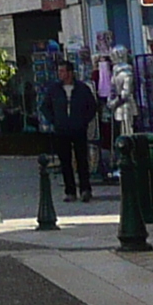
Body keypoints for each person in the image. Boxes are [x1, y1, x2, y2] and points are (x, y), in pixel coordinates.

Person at [55, 61, 101, 201]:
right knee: (65, 161)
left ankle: (85, 189)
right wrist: (55, 120)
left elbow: (92, 106)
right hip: (62, 130)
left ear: (70, 73)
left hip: (79, 129)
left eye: (63, 71)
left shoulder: (82, 88)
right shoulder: (55, 89)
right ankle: (70, 191)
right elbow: (46, 106)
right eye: (59, 71)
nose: (60, 74)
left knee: (82, 160)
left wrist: (83, 121)